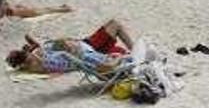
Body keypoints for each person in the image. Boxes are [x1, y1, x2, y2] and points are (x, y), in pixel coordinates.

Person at [5, 19, 136, 74]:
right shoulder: (40, 61)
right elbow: (63, 50)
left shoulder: (39, 55)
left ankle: (132, 53)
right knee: (115, 25)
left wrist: (34, 48)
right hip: (86, 48)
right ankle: (134, 51)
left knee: (119, 52)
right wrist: (64, 44)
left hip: (86, 48)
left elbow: (30, 40)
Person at [1, 1, 73, 19]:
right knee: (48, 10)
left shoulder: (11, 10)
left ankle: (64, 9)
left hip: (31, 12)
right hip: (31, 12)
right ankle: (64, 9)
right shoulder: (13, 10)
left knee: (48, 10)